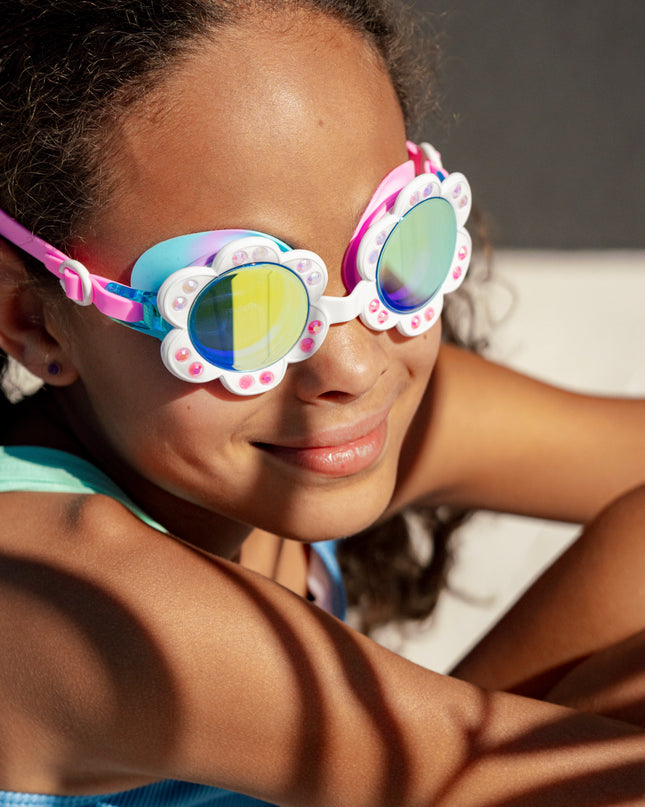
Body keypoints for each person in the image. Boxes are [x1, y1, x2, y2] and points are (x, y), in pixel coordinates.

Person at [0, 1, 643, 805]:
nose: (352, 361)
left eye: (399, 242)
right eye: (240, 307)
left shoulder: (300, 411)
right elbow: (486, 774)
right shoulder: (66, 590)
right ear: (33, 321)